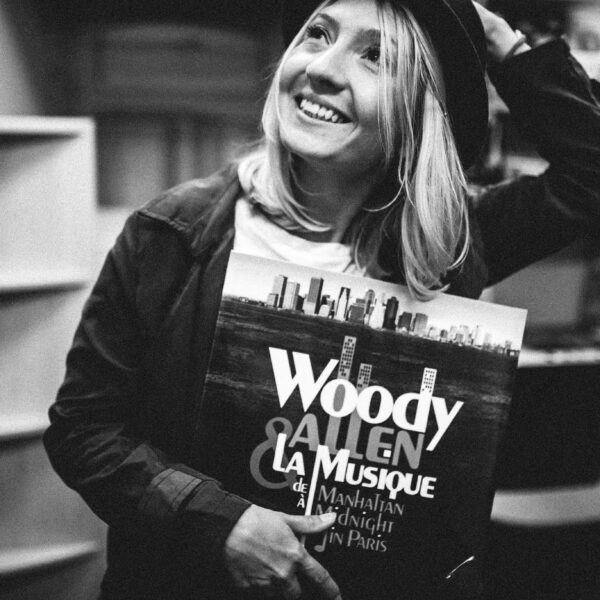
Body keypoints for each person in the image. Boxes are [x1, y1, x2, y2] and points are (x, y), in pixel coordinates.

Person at [44, 1, 600, 599]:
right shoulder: (172, 234)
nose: (323, 68)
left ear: (420, 110)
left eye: (376, 56)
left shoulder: (453, 242)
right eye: (317, 34)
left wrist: (494, 39)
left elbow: (589, 177)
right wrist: (218, 522)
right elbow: (83, 429)